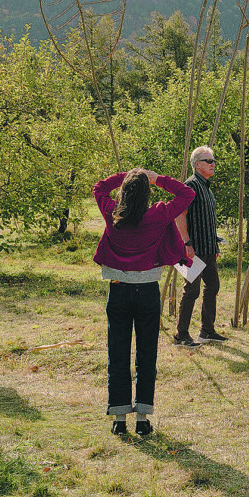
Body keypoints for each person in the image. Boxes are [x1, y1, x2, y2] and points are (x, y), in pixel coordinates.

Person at [93, 167, 195, 436]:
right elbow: (187, 193)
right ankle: (142, 419)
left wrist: (124, 174)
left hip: (118, 290)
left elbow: (98, 188)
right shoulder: (158, 215)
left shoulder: (112, 213)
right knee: (146, 354)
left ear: (124, 191)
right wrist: (157, 178)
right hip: (148, 291)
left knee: (117, 353)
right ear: (148, 193)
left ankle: (118, 418)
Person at [175, 146, 226, 347]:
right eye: (208, 161)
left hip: (208, 248)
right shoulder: (191, 186)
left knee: (213, 286)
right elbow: (179, 215)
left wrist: (215, 243)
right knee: (192, 291)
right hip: (192, 249)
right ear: (197, 164)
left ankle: (207, 331)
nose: (213, 164)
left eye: (213, 160)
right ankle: (181, 335)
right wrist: (186, 243)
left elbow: (205, 220)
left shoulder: (206, 186)